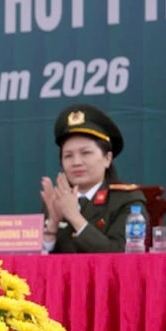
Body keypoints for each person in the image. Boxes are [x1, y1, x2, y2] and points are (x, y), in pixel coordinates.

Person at [41, 104, 146, 253]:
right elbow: (37, 261)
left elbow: (121, 255)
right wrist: (51, 229)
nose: (76, 162)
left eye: (86, 153)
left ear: (107, 159)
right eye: (68, 156)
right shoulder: (56, 200)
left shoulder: (126, 200)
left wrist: (74, 217)